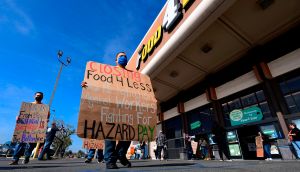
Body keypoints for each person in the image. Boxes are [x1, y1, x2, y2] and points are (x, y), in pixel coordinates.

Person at [81, 52, 132, 169]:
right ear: (116, 60)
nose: (123, 57)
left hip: (127, 107)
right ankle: (110, 159)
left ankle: (121, 154)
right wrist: (87, 85)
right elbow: (98, 84)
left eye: (125, 56)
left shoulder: (131, 75)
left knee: (129, 132)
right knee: (110, 132)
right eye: (120, 56)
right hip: (111, 106)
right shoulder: (108, 72)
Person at [10, 92, 47, 165]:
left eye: (40, 96)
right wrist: (18, 117)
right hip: (25, 127)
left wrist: (46, 120)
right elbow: (22, 114)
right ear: (34, 96)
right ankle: (15, 159)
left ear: (42, 97)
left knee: (32, 145)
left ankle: (27, 157)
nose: (38, 97)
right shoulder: (28, 105)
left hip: (36, 129)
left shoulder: (44, 108)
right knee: (20, 143)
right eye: (37, 95)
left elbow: (46, 116)